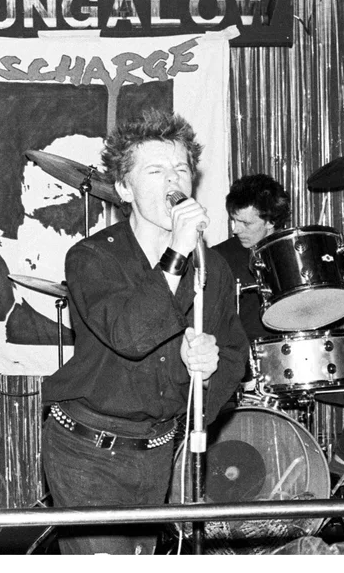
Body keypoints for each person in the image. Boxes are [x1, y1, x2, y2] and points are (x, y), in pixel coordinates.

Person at [41, 110, 249, 555]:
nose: (173, 180)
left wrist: (207, 369)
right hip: (88, 452)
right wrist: (177, 250)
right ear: (124, 188)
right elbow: (130, 335)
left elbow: (234, 355)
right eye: (155, 171)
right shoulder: (92, 257)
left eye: (181, 169)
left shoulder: (213, 268)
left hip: (157, 451)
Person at [212, 173, 344, 481]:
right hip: (251, 369)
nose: (235, 229)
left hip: (305, 361)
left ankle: (336, 474)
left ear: (271, 221)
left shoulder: (297, 252)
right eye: (233, 220)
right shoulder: (219, 259)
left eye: (245, 223)